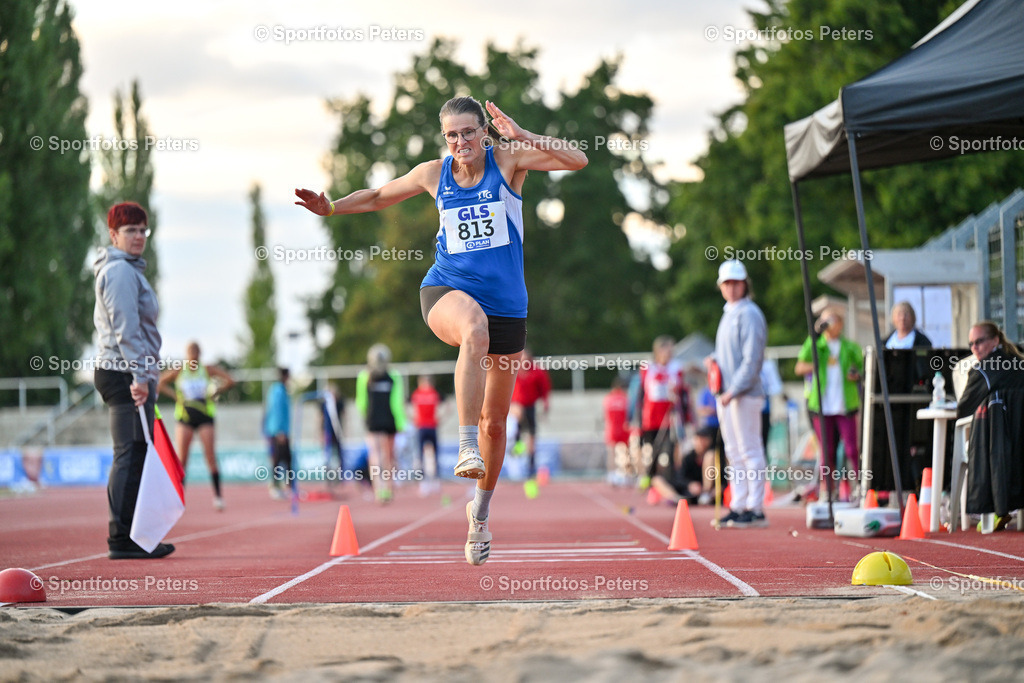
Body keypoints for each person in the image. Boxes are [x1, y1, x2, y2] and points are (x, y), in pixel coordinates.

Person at [295, 95, 587, 565]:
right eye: (452, 134)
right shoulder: (434, 174)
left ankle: (480, 513)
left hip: (508, 306)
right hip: (445, 290)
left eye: (468, 132)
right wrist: (331, 208)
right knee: (473, 328)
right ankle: (465, 445)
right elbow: (378, 196)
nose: (460, 142)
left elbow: (577, 159)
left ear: (484, 132)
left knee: (497, 423)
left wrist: (523, 135)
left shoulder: (508, 160)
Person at [93, 201, 173, 559]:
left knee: (136, 452)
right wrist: (140, 376)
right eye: (130, 230)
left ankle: (134, 535)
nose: (139, 236)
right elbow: (126, 330)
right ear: (113, 235)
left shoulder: (128, 269)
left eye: (143, 230)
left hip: (130, 371)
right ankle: (121, 538)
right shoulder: (120, 272)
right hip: (124, 373)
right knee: (129, 452)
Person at [706, 260, 768, 528]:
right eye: (727, 283)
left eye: (736, 283)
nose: (731, 287)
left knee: (749, 449)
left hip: (744, 394)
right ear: (721, 286)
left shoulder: (749, 314)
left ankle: (755, 508)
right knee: (733, 451)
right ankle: (739, 504)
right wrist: (713, 362)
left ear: (745, 284)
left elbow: (752, 360)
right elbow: (728, 355)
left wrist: (734, 390)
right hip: (727, 395)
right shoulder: (728, 313)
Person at [795, 308, 864, 501]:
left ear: (840, 323)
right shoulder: (817, 345)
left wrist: (857, 374)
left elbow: (862, 367)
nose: (829, 324)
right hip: (822, 406)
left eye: (832, 320)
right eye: (825, 320)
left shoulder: (849, 347)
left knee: (852, 449)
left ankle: (861, 486)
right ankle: (828, 489)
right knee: (827, 451)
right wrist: (815, 334)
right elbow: (801, 361)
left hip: (845, 405)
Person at [157, 342, 235, 511]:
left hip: (204, 416)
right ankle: (179, 498)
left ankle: (218, 497)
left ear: (200, 354)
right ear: (186, 354)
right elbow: (160, 382)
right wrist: (175, 396)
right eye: (190, 352)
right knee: (182, 459)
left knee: (210, 456)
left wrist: (216, 392)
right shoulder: (180, 370)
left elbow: (230, 380)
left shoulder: (206, 370)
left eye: (195, 352)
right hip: (185, 416)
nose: (193, 356)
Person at [355, 344, 406, 504]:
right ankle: (385, 489)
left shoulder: (368, 376)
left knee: (379, 456)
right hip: (385, 421)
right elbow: (397, 402)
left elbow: (361, 403)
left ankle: (381, 490)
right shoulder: (390, 376)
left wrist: (366, 417)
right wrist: (400, 422)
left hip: (377, 420)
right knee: (385, 456)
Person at [638, 336, 688, 489]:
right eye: (666, 350)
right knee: (654, 450)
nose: (669, 353)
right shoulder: (648, 367)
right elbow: (640, 392)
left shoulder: (677, 368)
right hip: (651, 417)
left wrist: (685, 415)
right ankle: (650, 478)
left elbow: (683, 392)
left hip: (670, 417)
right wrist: (636, 418)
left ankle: (670, 482)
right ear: (658, 351)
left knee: (669, 450)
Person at [956, 321, 1024, 420]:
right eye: (971, 344)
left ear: (995, 341)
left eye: (979, 341)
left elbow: (963, 410)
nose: (974, 348)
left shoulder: (982, 371)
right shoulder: (1019, 362)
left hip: (996, 427)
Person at [510, 348, 551, 480]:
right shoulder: (512, 370)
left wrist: (545, 404)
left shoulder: (537, 371)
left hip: (530, 405)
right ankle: (517, 443)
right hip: (516, 405)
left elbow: (544, 389)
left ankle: (531, 463)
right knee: (518, 415)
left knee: (532, 434)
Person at [650, 425, 717, 505]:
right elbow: (680, 477)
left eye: (704, 439)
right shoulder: (688, 457)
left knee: (710, 456)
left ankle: (705, 495)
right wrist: (689, 484)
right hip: (688, 490)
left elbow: (722, 478)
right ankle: (676, 498)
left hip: (706, 491)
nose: (701, 443)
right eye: (699, 439)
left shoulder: (713, 456)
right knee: (656, 480)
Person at [410, 374, 444, 494]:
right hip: (423, 427)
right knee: (422, 455)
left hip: (430, 426)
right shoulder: (418, 394)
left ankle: (434, 480)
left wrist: (440, 417)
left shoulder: (432, 393)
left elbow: (445, 406)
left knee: (432, 454)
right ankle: (425, 481)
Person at [264, 367, 292, 500]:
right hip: (278, 431)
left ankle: (288, 486)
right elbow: (276, 411)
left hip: (283, 430)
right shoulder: (278, 391)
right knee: (278, 459)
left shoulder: (282, 390)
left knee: (287, 459)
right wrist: (279, 431)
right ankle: (275, 487)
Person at [603, 376, 631, 485]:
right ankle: (626, 474)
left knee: (612, 452)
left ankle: (611, 474)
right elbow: (630, 413)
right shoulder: (625, 398)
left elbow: (605, 415)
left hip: (612, 428)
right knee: (626, 452)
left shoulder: (608, 398)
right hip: (624, 428)